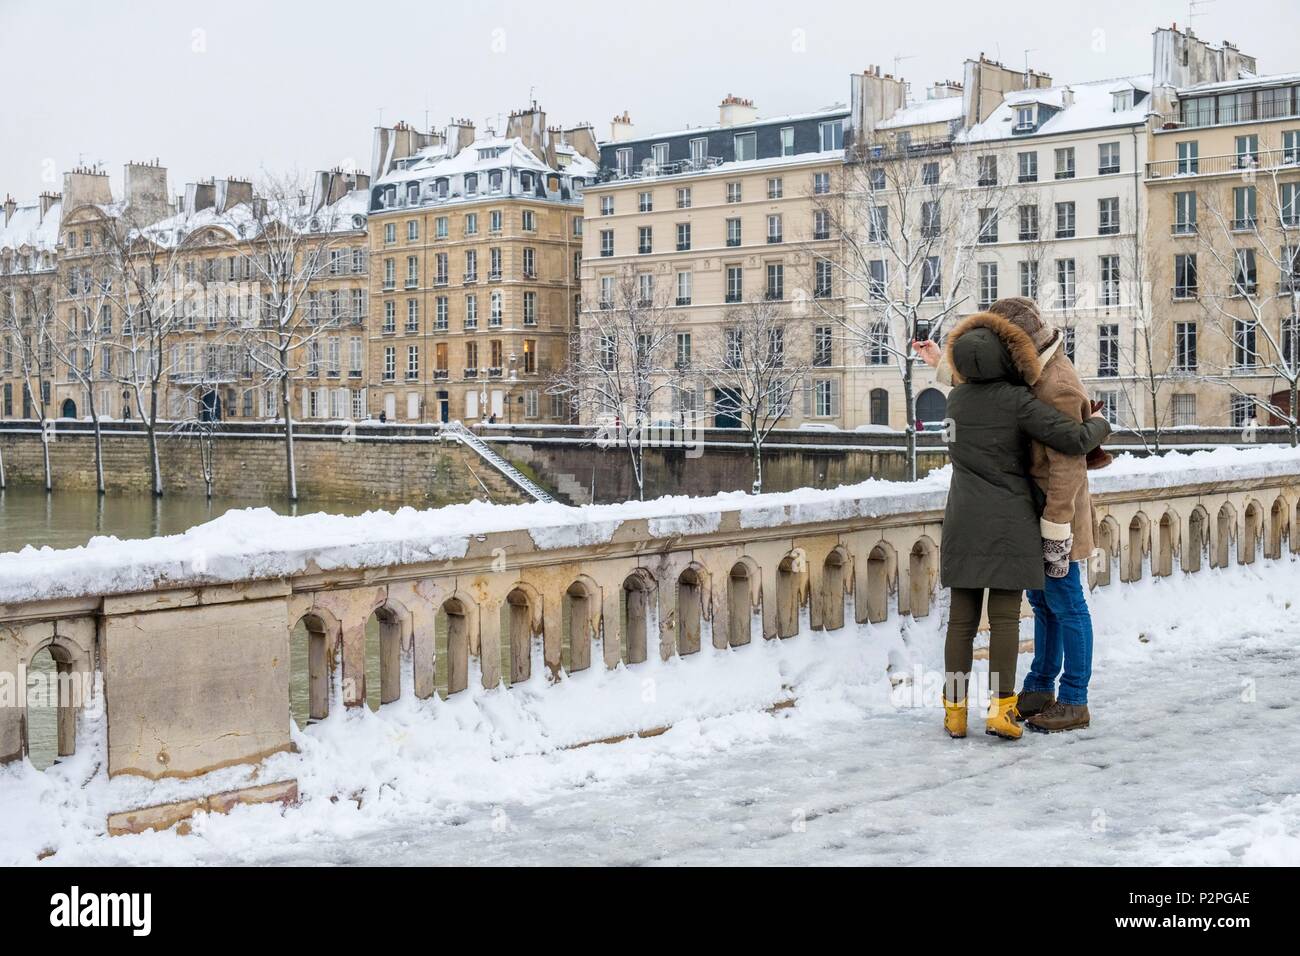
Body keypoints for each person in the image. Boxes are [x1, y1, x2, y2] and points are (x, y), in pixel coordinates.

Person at [918, 297, 1110, 734]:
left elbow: (1067, 461)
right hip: (1024, 514)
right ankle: (1038, 687)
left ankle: (1074, 699)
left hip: (1052, 512)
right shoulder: (1025, 375)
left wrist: (1056, 527)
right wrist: (940, 363)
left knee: (1066, 604)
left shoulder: (1056, 381)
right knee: (1042, 604)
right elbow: (990, 390)